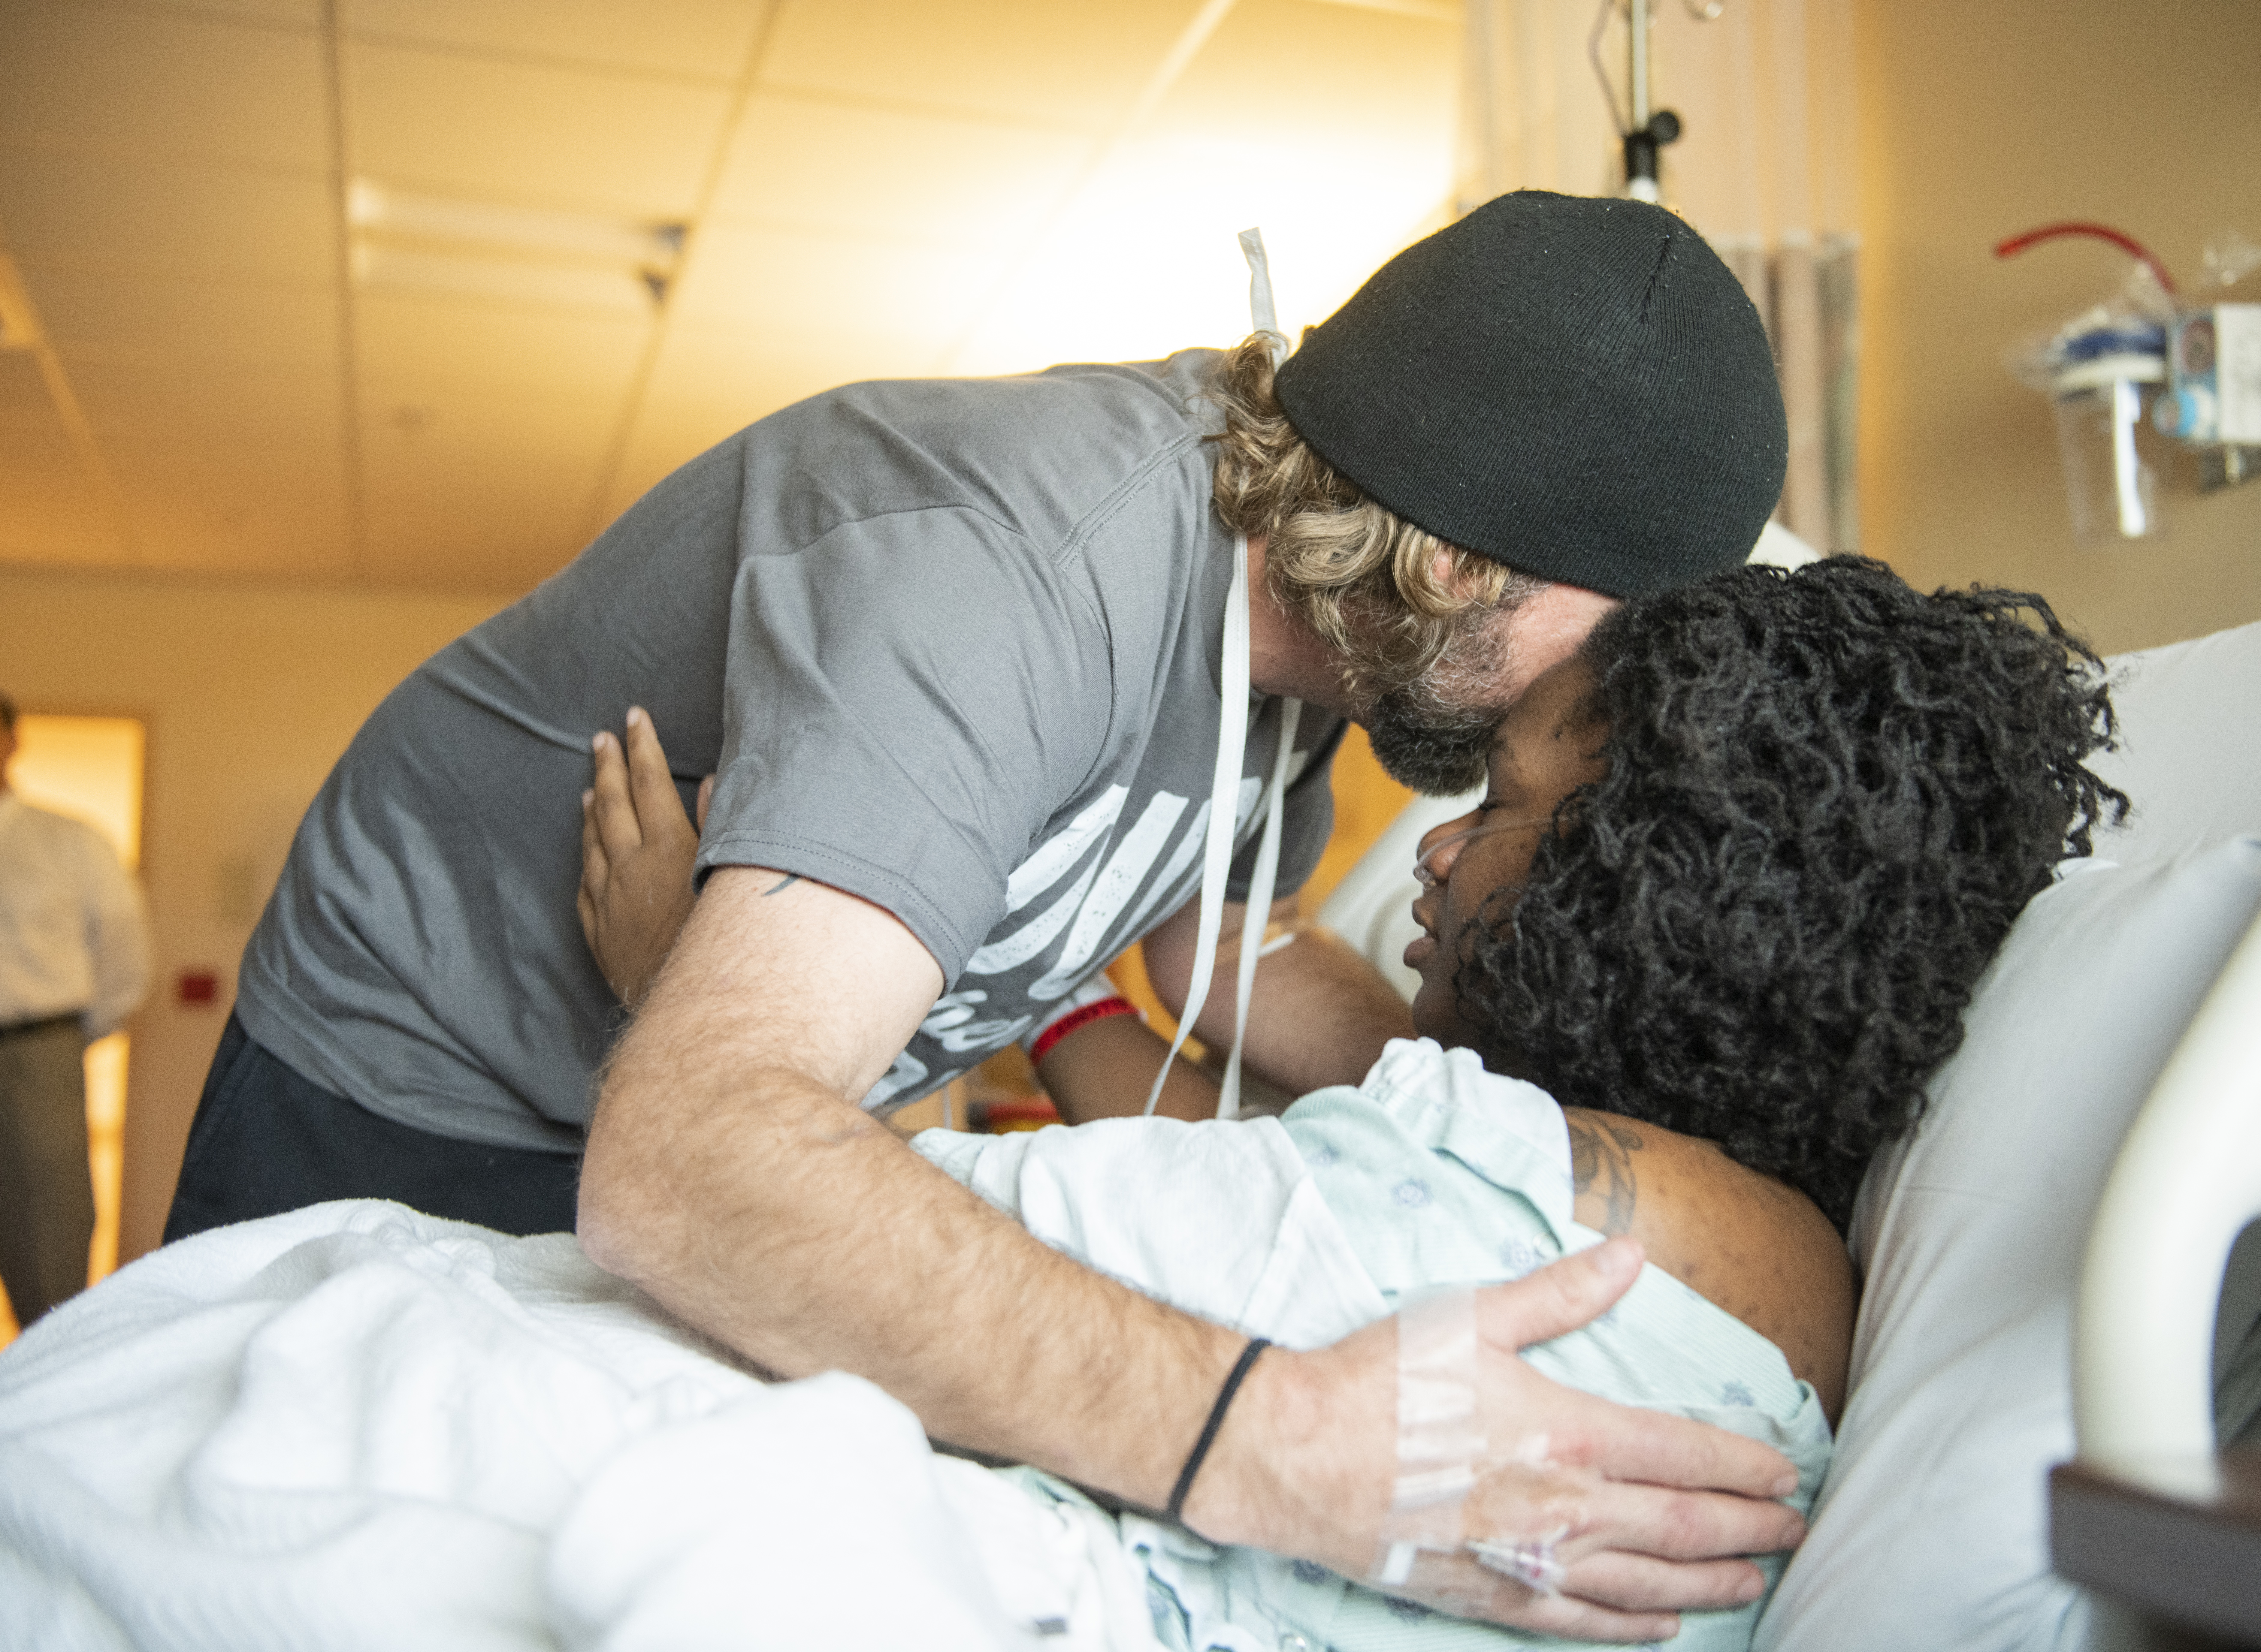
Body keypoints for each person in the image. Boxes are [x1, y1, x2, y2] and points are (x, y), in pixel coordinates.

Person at [167, 191, 1806, 1632]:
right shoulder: (1005, 571)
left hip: (683, 1080)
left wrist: (1493, 1127)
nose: (1591, 708)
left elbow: (1212, 938)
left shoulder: (1328, 636)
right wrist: (1281, 1446)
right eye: (1607, 642)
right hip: (421, 1060)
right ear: (1461, 564)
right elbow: (690, 1161)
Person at [585, 554, 2128, 1645]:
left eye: (1502, 804)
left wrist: (686, 988)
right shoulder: (1778, 1258)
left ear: (1655, 892)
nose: (1439, 855)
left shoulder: (1547, 1199)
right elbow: (1235, 1168)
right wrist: (1083, 976)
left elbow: (804, 1233)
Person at [0, 691, 152, 1327]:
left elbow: (126, 957)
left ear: (10, 740)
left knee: (48, 1237)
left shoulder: (66, 839)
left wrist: (69, 1039)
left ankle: (46, 1396)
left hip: (37, 1054)